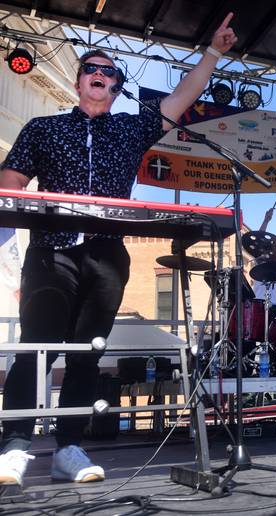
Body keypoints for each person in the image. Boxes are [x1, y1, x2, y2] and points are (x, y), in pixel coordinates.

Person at [0, 14, 238, 487]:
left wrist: (212, 53)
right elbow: (11, 184)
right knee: (35, 349)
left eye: (111, 73)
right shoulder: (43, 128)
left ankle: (69, 446)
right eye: (94, 68)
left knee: (88, 353)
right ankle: (16, 446)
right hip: (52, 249)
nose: (102, 75)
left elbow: (179, 100)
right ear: (78, 79)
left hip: (108, 254)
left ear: (116, 86)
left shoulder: (129, 130)